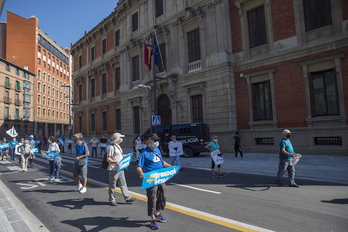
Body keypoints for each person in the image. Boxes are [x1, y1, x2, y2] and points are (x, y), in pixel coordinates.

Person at [136, 133, 171, 230]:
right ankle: (152, 219)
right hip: (151, 179)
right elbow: (139, 166)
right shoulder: (144, 153)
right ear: (149, 141)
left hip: (160, 177)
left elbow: (161, 162)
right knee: (152, 197)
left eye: (157, 141)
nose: (156, 143)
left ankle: (158, 213)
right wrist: (141, 173)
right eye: (154, 141)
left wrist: (171, 166)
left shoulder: (157, 150)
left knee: (163, 195)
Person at [107, 132, 136, 206]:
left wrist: (126, 155)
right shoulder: (111, 147)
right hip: (114, 169)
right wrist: (114, 162)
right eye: (120, 138)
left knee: (123, 183)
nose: (121, 139)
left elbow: (119, 155)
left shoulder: (118, 146)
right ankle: (112, 199)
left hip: (120, 168)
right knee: (112, 185)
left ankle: (127, 197)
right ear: (117, 139)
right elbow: (108, 159)